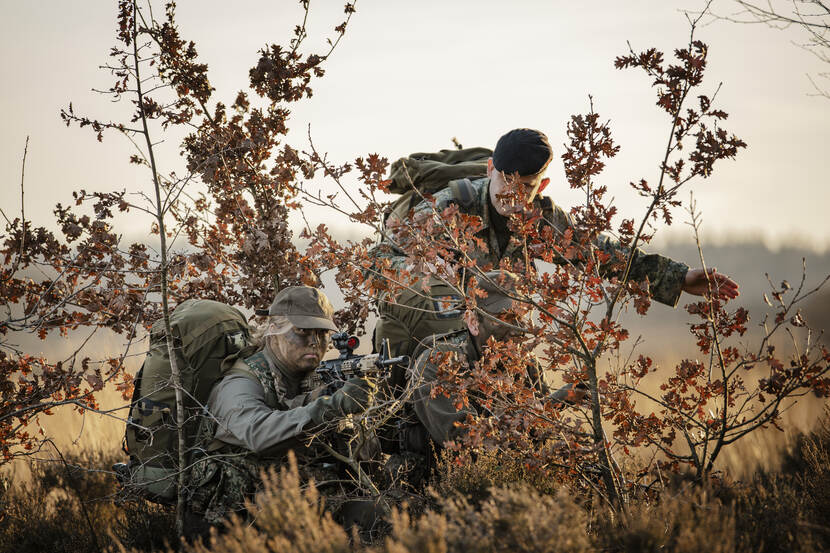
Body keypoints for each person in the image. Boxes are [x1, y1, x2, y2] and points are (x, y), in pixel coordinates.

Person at [372, 128, 739, 361]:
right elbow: (378, 263)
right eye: (506, 182)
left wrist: (677, 278)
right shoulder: (447, 206)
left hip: (494, 340)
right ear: (489, 170)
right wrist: (422, 272)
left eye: (526, 187)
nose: (513, 196)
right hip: (424, 334)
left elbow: (597, 253)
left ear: (541, 187)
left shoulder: (540, 218)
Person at [187, 286, 376, 528]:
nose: (314, 342)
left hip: (290, 497)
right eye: (302, 331)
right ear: (274, 330)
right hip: (230, 518)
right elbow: (258, 433)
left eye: (322, 333)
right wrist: (330, 407)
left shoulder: (312, 376)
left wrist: (357, 414)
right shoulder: (242, 380)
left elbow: (366, 453)